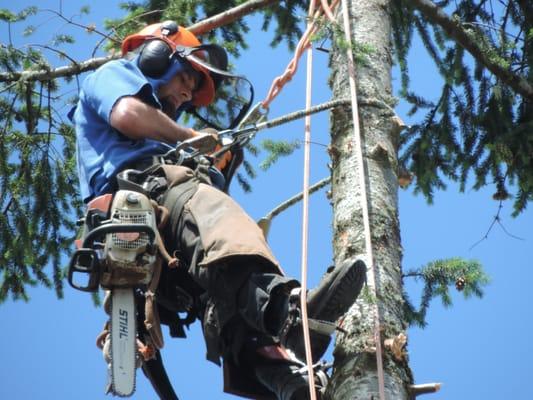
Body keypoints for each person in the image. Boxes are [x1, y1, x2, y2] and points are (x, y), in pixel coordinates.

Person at [70, 20, 366, 400]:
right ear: (157, 56)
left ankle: (286, 381)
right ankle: (287, 309)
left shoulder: (165, 137)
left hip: (168, 248)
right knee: (211, 210)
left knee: (228, 298)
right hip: (146, 191)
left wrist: (217, 161)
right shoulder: (112, 76)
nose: (186, 94)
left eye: (192, 89)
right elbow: (127, 114)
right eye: (185, 79)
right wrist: (192, 139)